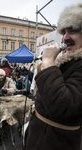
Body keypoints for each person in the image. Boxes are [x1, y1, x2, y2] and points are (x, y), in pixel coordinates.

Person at [24, 3, 82, 150]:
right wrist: (38, 105)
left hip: (57, 142)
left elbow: (63, 106)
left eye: (73, 30)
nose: (65, 38)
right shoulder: (68, 61)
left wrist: (49, 62)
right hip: (40, 137)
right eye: (64, 32)